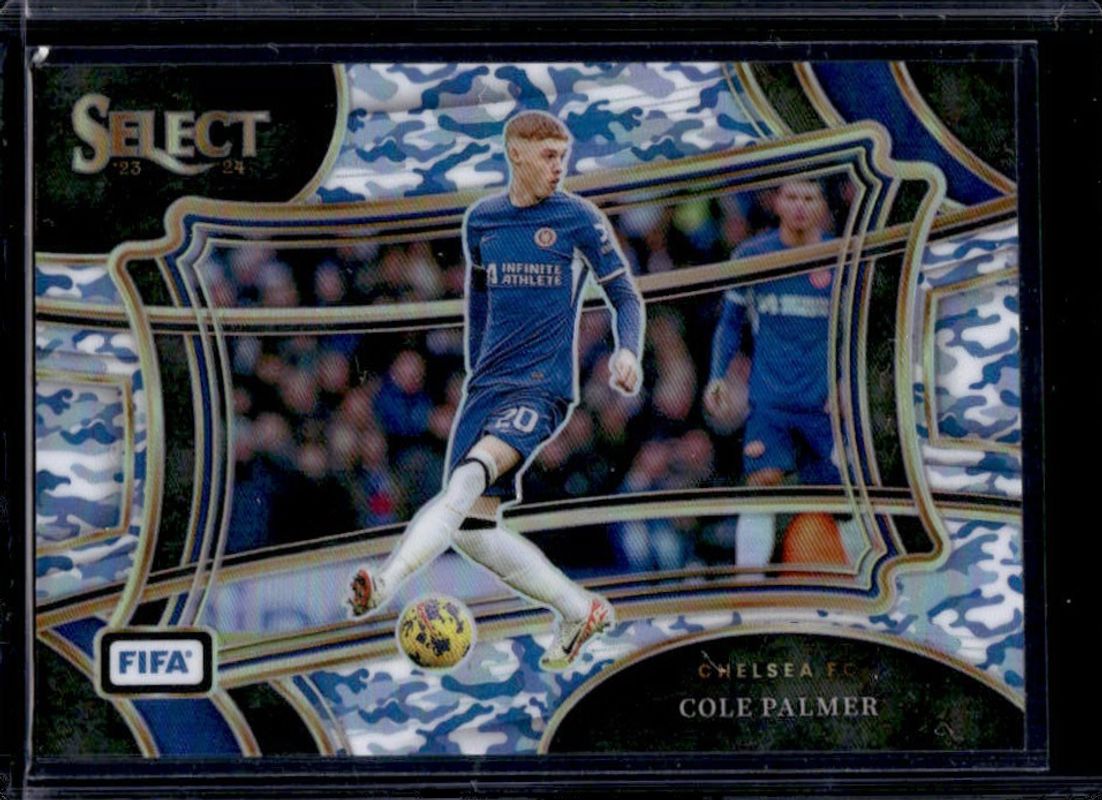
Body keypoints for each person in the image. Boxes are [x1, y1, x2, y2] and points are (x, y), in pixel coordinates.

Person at [349, 110, 645, 670]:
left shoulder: (579, 218)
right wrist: (475, 376)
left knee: (465, 483)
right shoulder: (482, 221)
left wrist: (627, 349)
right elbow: (479, 308)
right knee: (473, 531)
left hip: (540, 388)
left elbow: (625, 295)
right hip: (486, 389)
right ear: (515, 154)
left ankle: (384, 583)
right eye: (549, 156)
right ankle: (577, 609)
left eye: (564, 156)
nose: (560, 167)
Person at [704, 178, 840, 576]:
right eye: (792, 197)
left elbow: (856, 331)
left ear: (821, 205)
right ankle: (748, 587)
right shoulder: (753, 257)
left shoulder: (841, 258)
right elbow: (730, 323)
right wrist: (717, 375)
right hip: (771, 402)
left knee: (846, 500)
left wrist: (847, 384)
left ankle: (861, 583)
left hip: (823, 403)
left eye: (809, 197)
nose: (799, 206)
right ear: (777, 202)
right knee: (762, 482)